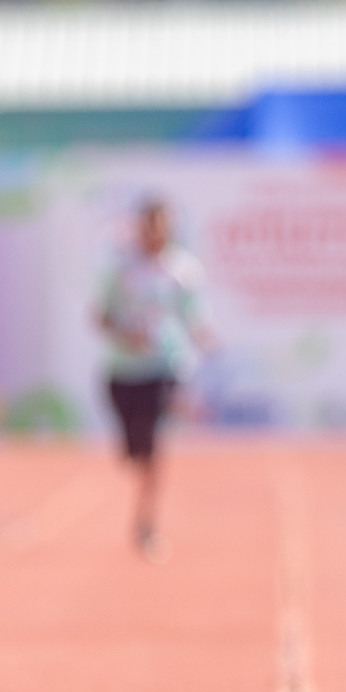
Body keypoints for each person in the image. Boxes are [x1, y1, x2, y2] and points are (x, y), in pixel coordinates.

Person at [95, 198, 212, 563]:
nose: (156, 232)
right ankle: (135, 450)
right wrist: (126, 335)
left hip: (164, 367)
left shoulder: (183, 270)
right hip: (121, 371)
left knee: (153, 444)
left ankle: (146, 523)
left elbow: (192, 313)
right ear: (139, 228)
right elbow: (101, 317)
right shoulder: (122, 269)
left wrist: (203, 337)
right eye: (150, 225)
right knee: (134, 451)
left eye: (163, 224)